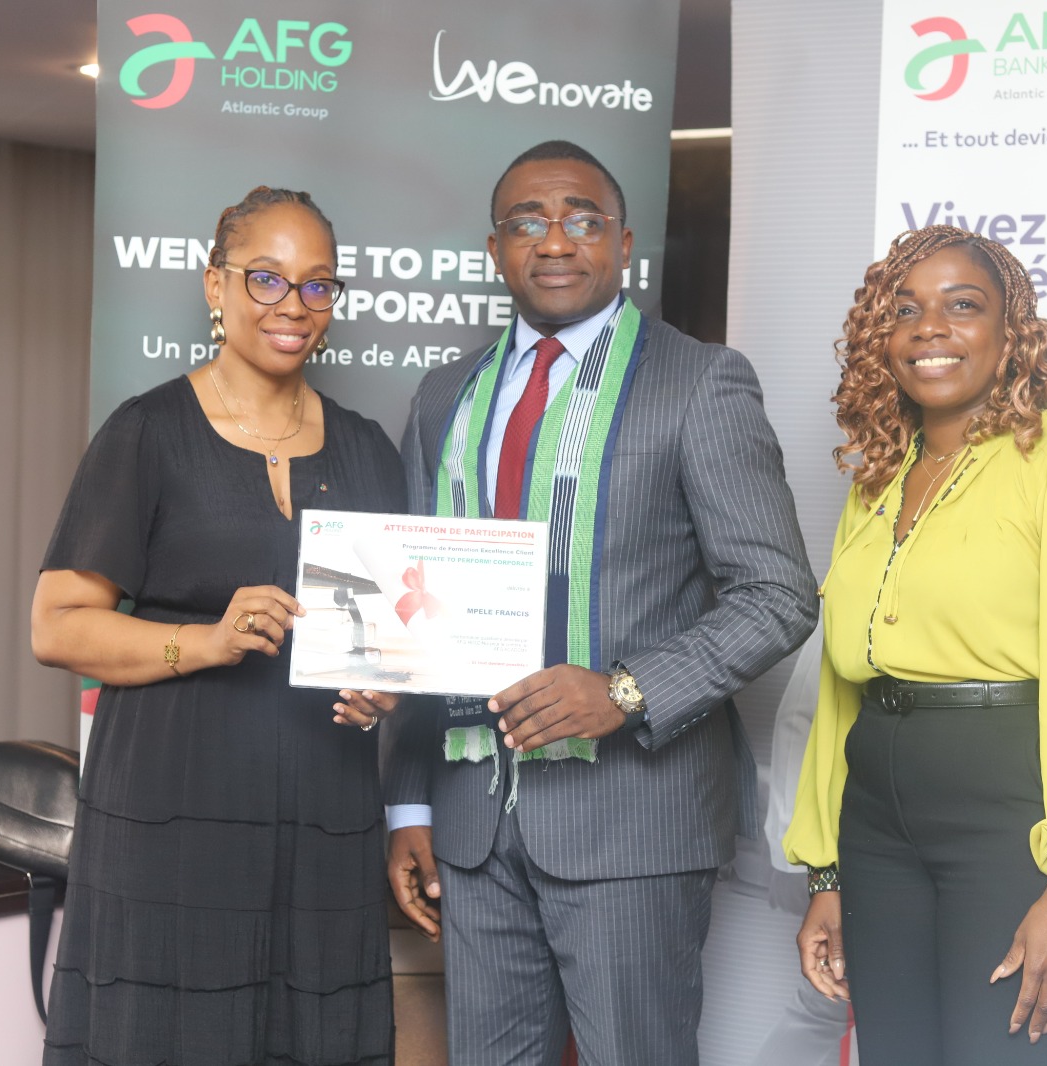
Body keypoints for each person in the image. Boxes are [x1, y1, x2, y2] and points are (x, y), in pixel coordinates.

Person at [383, 140, 818, 1066]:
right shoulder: (444, 396)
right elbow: (422, 602)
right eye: (527, 223)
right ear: (495, 249)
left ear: (623, 244)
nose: (555, 240)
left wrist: (624, 690)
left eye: (582, 219)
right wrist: (409, 803)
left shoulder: (698, 381)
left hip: (631, 823)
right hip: (472, 822)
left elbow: (778, 593)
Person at [31, 186, 405, 1066]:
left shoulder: (368, 450)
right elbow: (57, 627)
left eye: (317, 285)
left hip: (323, 812)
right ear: (215, 285)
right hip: (172, 807)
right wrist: (204, 641)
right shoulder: (147, 432)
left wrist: (383, 688)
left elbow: (391, 633)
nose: (293, 306)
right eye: (266, 279)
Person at [783, 225, 1047, 1066]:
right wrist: (827, 872)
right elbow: (843, 686)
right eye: (905, 310)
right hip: (875, 818)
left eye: (963, 306)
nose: (931, 327)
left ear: (1010, 332)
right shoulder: (877, 479)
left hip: (1007, 817)